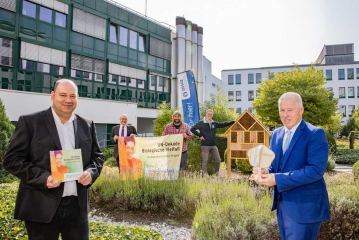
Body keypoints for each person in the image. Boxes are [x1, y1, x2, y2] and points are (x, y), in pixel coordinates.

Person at [3, 79, 104, 240]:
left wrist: (91, 173)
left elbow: (97, 157)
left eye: (73, 96)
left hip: (77, 209)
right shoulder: (30, 122)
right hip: (41, 206)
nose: (68, 100)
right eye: (62, 95)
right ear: (52, 96)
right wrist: (44, 178)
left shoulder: (87, 125)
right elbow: (11, 160)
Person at [250, 92, 330, 240]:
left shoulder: (315, 134)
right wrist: (265, 170)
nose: (285, 114)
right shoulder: (276, 134)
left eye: (290, 110)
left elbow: (315, 171)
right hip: (282, 206)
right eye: (282, 110)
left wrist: (277, 179)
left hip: (305, 209)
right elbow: (275, 166)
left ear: (301, 110)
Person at [190, 109, 235, 174]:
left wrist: (233, 121)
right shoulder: (201, 122)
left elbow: (223, 124)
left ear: (212, 115)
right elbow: (192, 129)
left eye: (211, 114)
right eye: (208, 114)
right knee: (205, 161)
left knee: (218, 160)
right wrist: (200, 135)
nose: (210, 115)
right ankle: (205, 175)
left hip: (213, 145)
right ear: (206, 114)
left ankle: (216, 175)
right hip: (205, 145)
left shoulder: (214, 123)